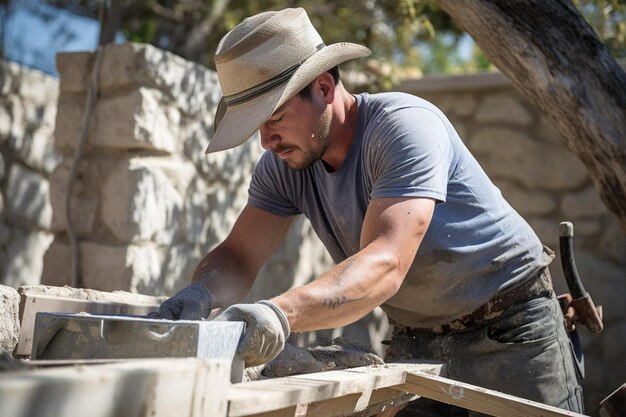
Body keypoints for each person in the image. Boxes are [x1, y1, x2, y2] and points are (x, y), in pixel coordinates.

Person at [158, 7, 583, 416]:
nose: (266, 141)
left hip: (511, 327)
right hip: (416, 338)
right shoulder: (285, 164)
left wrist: (278, 313)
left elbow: (386, 263)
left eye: (275, 117)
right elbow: (238, 255)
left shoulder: (404, 127)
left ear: (324, 88)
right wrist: (204, 291)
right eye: (256, 128)